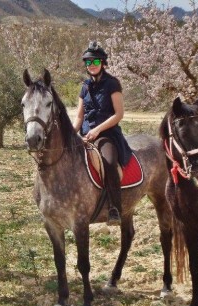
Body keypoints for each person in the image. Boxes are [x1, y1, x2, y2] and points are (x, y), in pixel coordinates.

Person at [72, 41, 132, 226]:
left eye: (95, 62)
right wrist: (72, 133)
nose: (91, 65)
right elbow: (80, 115)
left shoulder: (113, 83)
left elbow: (119, 114)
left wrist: (97, 130)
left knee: (108, 162)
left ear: (103, 63)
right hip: (85, 134)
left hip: (107, 134)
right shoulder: (85, 86)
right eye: (88, 62)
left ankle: (114, 208)